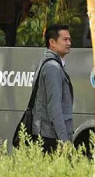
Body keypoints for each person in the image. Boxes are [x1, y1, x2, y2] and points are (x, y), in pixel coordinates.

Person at [32, 24, 74, 154]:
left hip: (48, 134)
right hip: (50, 136)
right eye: (65, 39)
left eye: (69, 39)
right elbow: (54, 108)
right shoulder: (52, 67)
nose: (69, 43)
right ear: (52, 42)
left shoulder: (51, 63)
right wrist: (64, 139)